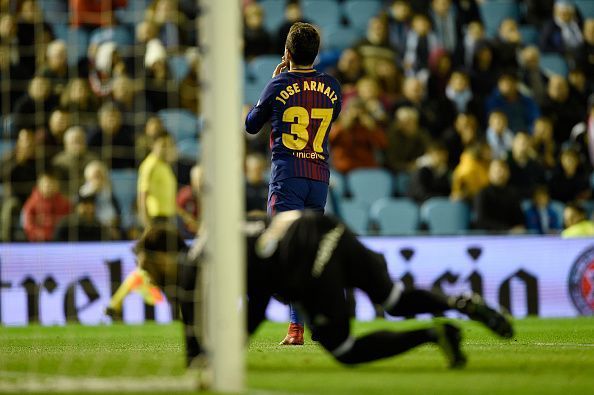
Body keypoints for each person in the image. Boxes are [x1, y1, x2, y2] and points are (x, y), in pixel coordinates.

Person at [115, 212, 513, 369]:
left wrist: (228, 350)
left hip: (307, 261)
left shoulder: (201, 270)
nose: (145, 274)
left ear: (165, 255)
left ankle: (433, 333)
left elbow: (256, 300)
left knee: (343, 350)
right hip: (328, 228)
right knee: (394, 299)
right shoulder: (212, 239)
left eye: (147, 264)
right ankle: (461, 305)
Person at [244, 22, 342, 345]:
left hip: (288, 178)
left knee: (286, 253)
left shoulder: (279, 84)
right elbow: (332, 114)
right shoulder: (332, 87)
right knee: (312, 249)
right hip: (319, 178)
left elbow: (251, 125)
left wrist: (274, 83)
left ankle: (296, 328)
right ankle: (322, 318)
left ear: (286, 54)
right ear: (316, 54)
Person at [137, 131, 178, 228]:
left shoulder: (165, 165)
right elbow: (143, 194)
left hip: (168, 216)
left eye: (168, 145)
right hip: (156, 217)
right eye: (163, 145)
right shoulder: (150, 165)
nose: (166, 149)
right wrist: (146, 222)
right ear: (153, 145)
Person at [473, 159, 525, 233]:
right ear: (489, 173)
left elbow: (519, 220)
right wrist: (506, 230)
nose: (501, 173)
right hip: (488, 237)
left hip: (511, 238)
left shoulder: (513, 194)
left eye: (504, 170)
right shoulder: (482, 193)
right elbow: (481, 221)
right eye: (497, 171)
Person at [22, 171, 71, 242]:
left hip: (60, 241)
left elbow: (69, 224)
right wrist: (40, 235)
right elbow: (28, 225)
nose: (49, 187)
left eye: (52, 184)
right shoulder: (31, 203)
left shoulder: (65, 203)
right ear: (39, 186)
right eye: (47, 185)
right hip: (37, 241)